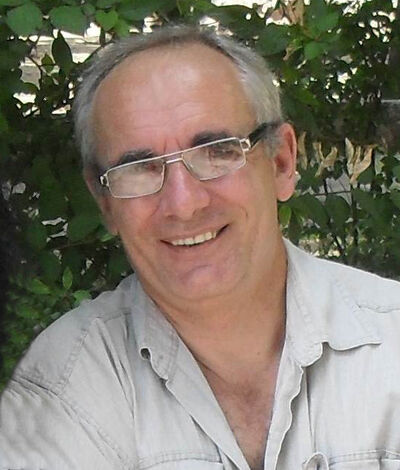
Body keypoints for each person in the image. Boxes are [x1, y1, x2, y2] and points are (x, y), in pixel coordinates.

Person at [1, 24, 400, 470]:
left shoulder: (393, 340)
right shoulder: (65, 383)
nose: (184, 204)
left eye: (217, 151)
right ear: (105, 203)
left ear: (282, 163)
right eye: (140, 168)